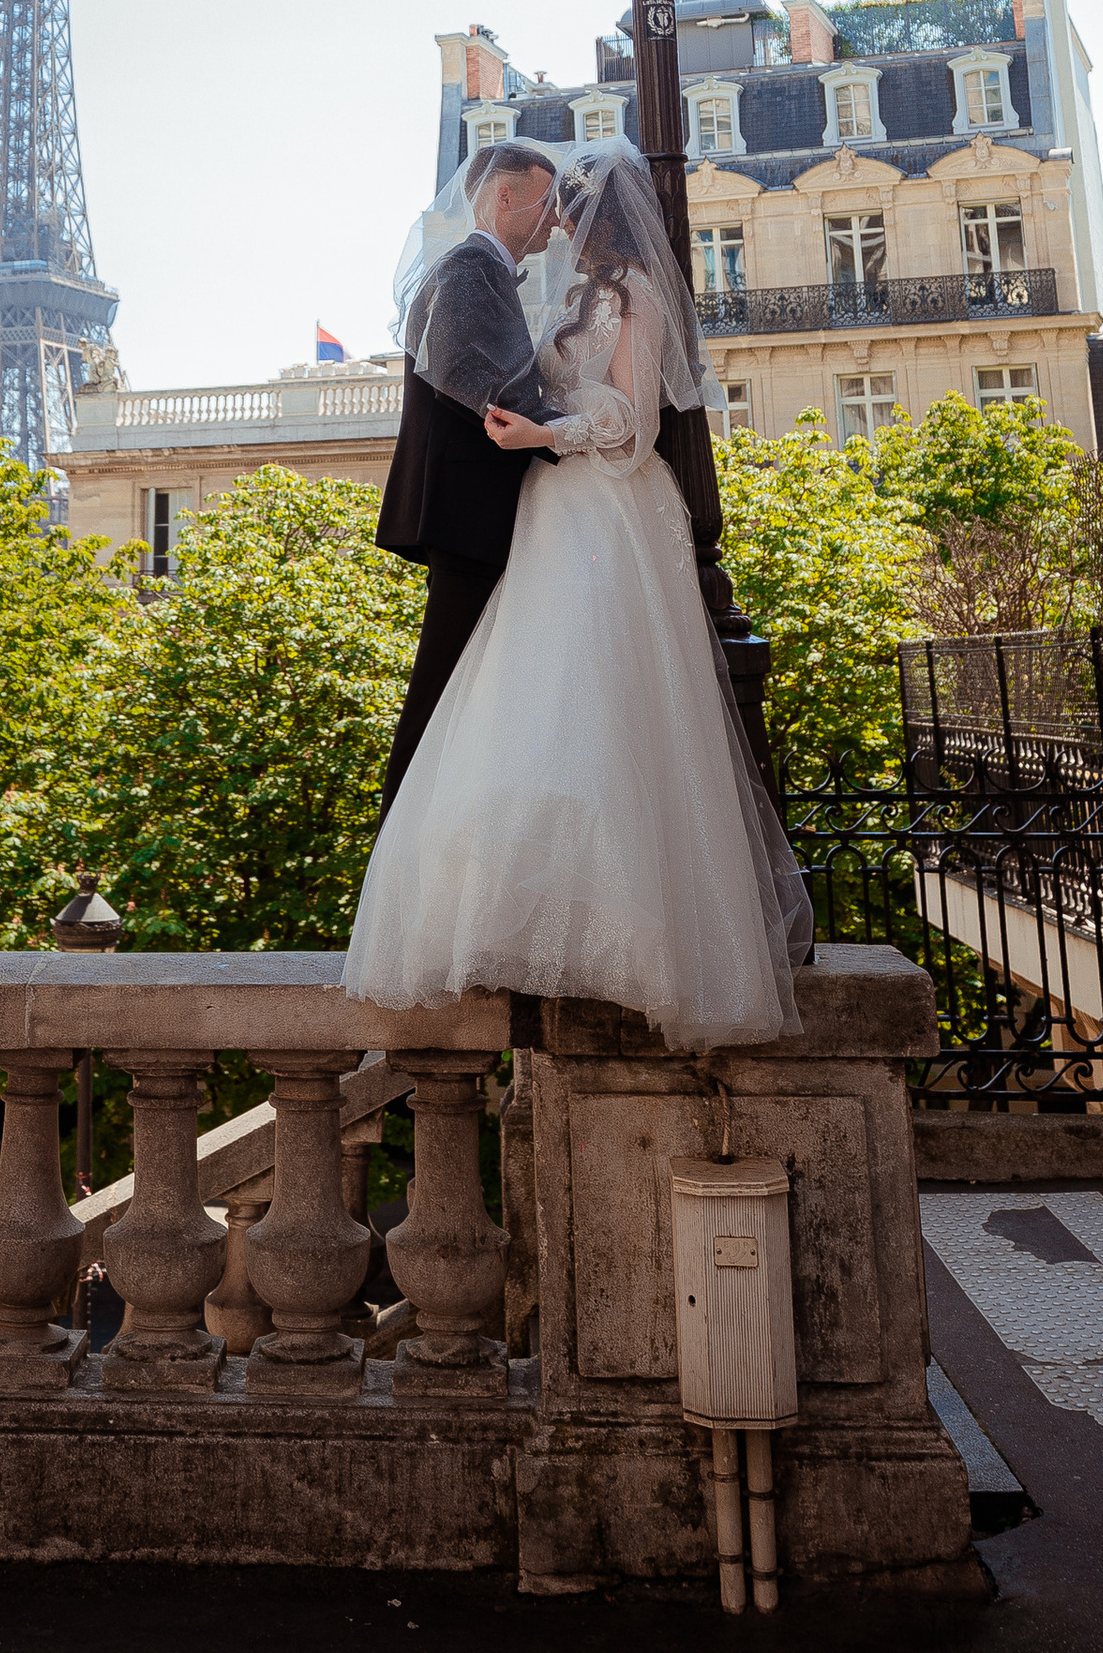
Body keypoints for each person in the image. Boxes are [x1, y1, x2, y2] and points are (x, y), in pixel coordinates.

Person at [346, 141, 811, 1051]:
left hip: (598, 505)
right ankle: (521, 912)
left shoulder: (633, 293)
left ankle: (625, 932)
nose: (560, 219)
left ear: (600, 216)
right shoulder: (565, 299)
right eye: (554, 203)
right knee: (531, 704)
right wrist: (535, 435)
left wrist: (543, 436)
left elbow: (634, 424)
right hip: (549, 510)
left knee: (602, 702)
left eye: (573, 206)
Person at [372, 136, 564, 811]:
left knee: (464, 686)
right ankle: (400, 838)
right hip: (467, 509)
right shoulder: (469, 267)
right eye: (545, 203)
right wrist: (562, 431)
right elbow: (463, 374)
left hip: (470, 506)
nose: (554, 218)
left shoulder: (479, 266)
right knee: (440, 687)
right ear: (503, 197)